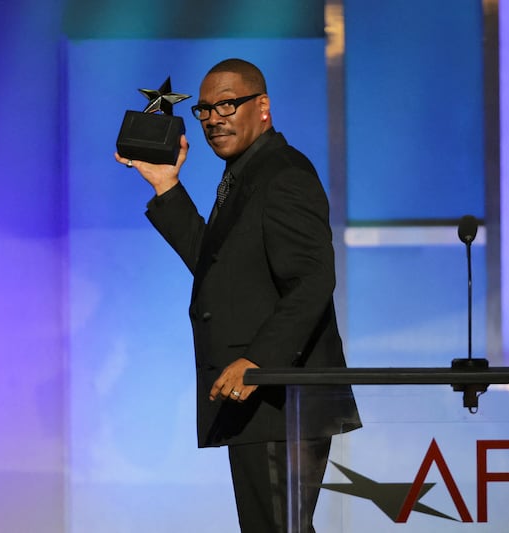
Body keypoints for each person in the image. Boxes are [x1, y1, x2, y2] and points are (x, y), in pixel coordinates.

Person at [115, 58, 361, 532]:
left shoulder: (283, 173)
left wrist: (258, 362)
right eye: (205, 110)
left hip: (279, 399)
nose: (213, 119)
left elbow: (313, 280)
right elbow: (220, 270)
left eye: (227, 105)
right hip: (260, 403)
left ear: (262, 106)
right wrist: (167, 186)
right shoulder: (245, 175)